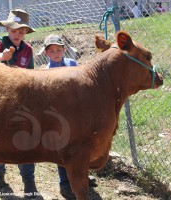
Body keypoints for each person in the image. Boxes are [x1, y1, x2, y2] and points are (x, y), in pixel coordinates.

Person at [0, 9, 37, 198]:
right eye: (14, 30)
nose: (17, 34)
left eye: (21, 31)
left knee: (25, 140)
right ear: (8, 28)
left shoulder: (28, 49)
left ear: (25, 33)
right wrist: (3, 58)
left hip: (21, 101)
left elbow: (31, 74)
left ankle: (29, 183)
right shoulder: (0, 42)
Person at [43, 34, 97, 199]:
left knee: (81, 148)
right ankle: (64, 183)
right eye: (51, 51)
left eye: (59, 50)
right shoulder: (45, 72)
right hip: (60, 120)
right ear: (46, 54)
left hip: (77, 116)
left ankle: (82, 176)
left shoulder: (72, 64)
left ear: (64, 50)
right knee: (63, 151)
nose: (56, 53)